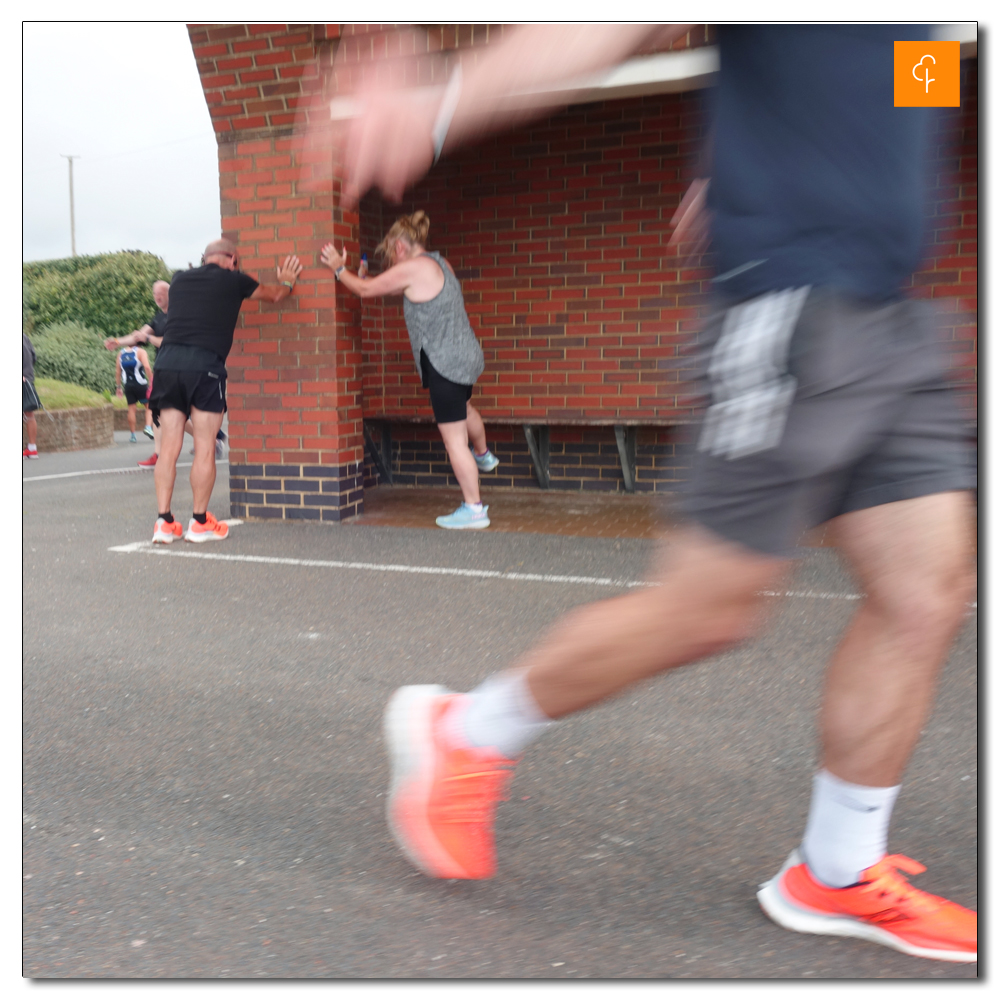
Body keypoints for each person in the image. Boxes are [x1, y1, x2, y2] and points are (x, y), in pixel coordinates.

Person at [337, 24, 977, 962]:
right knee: (709, 609)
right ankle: (465, 732)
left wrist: (748, 163)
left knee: (928, 589)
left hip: (894, 314)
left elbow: (894, 90)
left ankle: (836, 870)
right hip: (793, 303)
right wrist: (439, 104)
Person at [321, 211, 500, 529]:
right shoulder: (438, 264)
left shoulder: (412, 267)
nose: (390, 258)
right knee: (464, 408)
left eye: (390, 251)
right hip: (465, 356)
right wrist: (362, 277)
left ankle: (475, 509)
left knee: (453, 440)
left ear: (400, 247)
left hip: (445, 362)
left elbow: (364, 292)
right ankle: (484, 454)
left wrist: (338, 266)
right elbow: (379, 287)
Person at [147, 238, 302, 544]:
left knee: (168, 448)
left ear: (204, 258)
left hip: (167, 365)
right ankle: (200, 522)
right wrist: (287, 280)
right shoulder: (234, 279)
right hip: (204, 366)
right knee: (205, 446)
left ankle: (164, 523)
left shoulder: (179, 280)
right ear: (232, 260)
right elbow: (274, 295)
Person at [107, 281, 227, 465]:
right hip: (165, 370)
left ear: (171, 294)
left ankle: (210, 439)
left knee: (181, 412)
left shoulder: (179, 316)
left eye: (161, 292)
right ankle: (163, 453)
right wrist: (118, 341)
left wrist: (148, 338)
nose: (157, 296)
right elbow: (138, 335)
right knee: (161, 411)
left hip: (182, 369)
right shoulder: (157, 318)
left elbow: (170, 341)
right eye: (155, 293)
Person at [115, 344, 153, 442]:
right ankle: (148, 427)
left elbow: (118, 372)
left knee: (131, 409)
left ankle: (133, 435)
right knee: (150, 406)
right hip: (141, 384)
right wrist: (152, 381)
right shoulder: (140, 351)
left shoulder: (121, 353)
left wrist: (119, 387)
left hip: (128, 385)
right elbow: (147, 367)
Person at [22, 332, 41, 459]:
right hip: (28, 379)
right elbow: (34, 357)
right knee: (29, 414)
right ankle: (32, 448)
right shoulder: (24, 337)